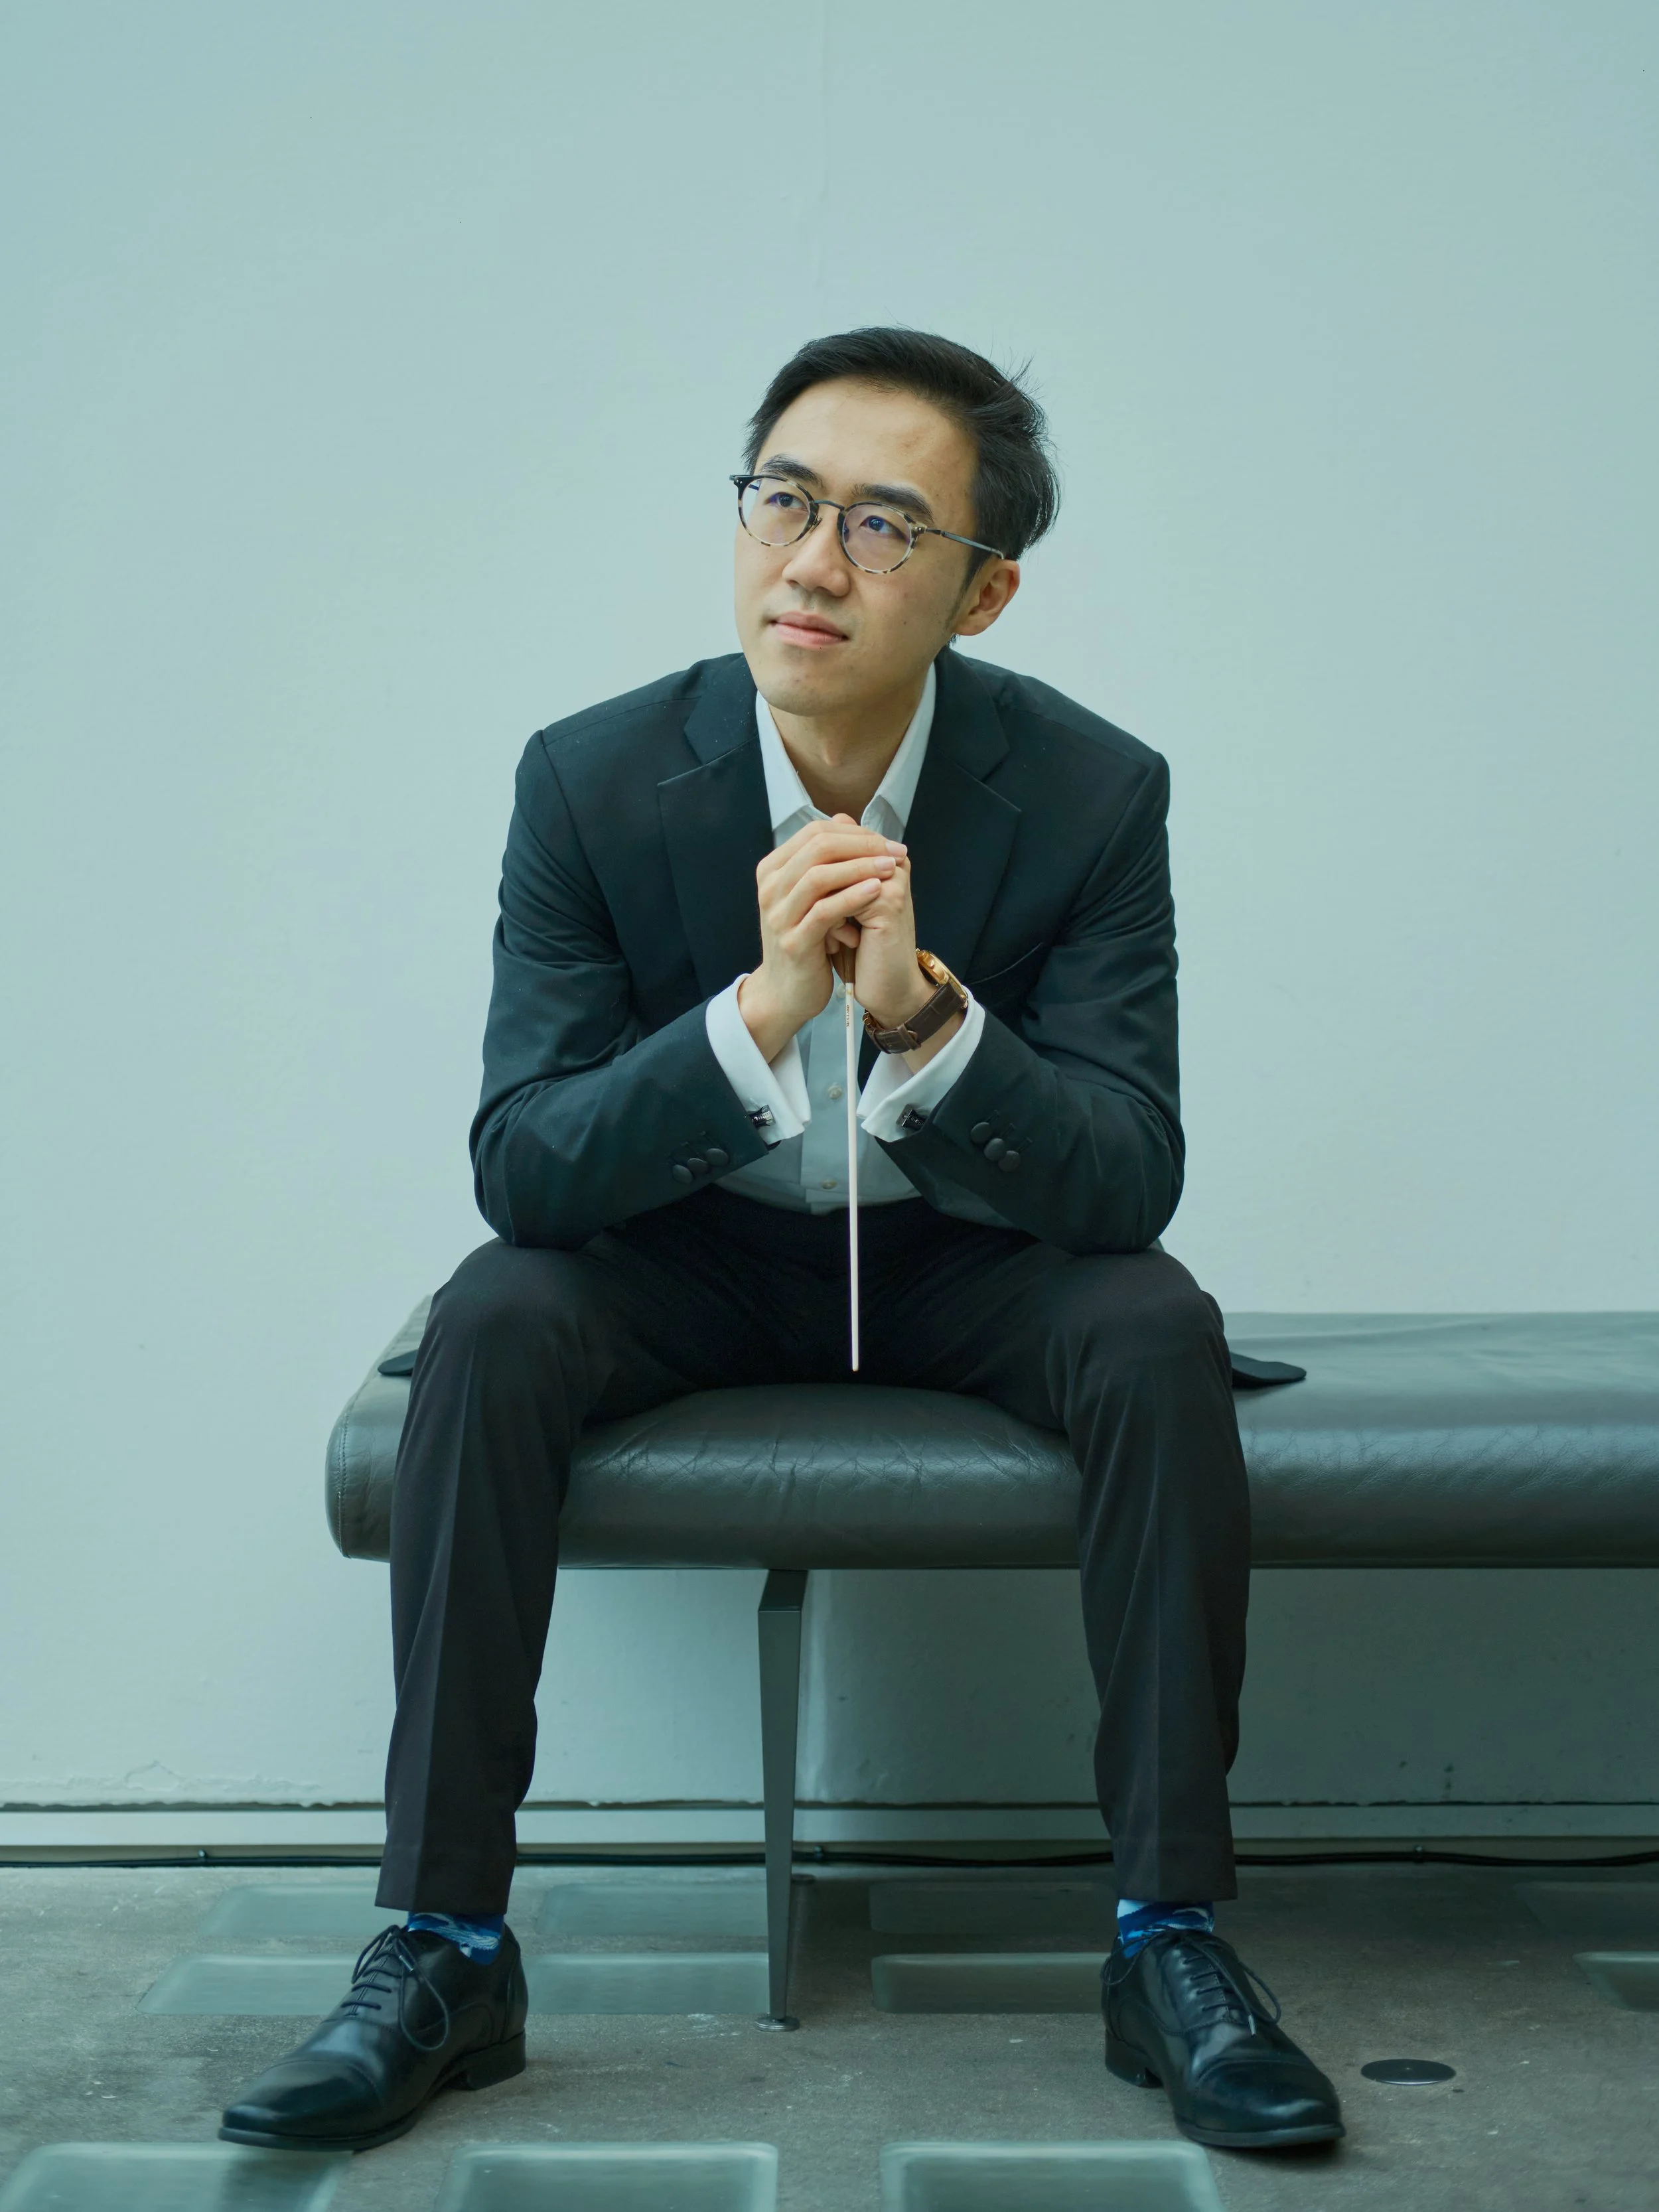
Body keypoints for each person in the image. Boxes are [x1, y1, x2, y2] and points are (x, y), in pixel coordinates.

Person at [220, 328, 1342, 2156]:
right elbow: (526, 1160)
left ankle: (1169, 1941)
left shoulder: (1088, 790)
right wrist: (756, 1013)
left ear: (983, 590)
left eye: (882, 524)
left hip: (959, 1255)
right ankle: (441, 1941)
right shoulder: (588, 779)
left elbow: (1125, 1171)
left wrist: (921, 1018)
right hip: (693, 1254)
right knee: (495, 1311)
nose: (811, 560)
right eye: (782, 500)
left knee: (1148, 1320)